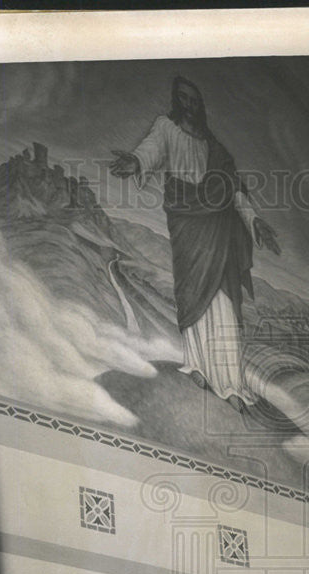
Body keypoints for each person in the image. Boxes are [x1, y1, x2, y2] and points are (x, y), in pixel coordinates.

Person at [109, 75, 281, 412]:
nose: (188, 104)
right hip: (187, 221)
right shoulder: (167, 128)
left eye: (194, 99)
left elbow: (234, 190)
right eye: (183, 98)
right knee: (191, 292)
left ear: (199, 104)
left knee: (224, 302)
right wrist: (136, 162)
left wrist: (254, 220)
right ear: (177, 100)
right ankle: (198, 365)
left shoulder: (216, 149)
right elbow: (151, 149)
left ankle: (230, 381)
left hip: (218, 227)